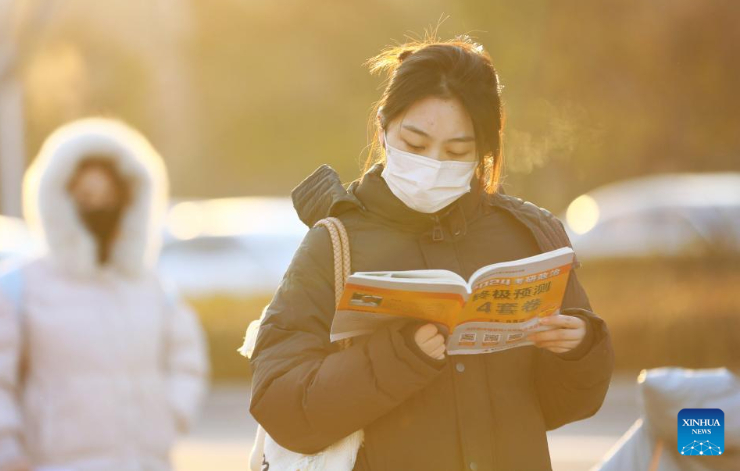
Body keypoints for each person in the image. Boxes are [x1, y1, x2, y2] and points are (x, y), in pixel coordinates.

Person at [249, 36, 615, 471]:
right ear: (384, 127)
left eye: (457, 151)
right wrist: (399, 357)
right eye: (416, 144)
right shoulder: (334, 242)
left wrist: (579, 349)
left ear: (484, 151)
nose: (434, 165)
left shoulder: (533, 236)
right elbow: (280, 404)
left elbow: (562, 408)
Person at [0, 118, 208, 471]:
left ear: (132, 201)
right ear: (59, 200)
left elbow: (187, 360)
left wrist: (172, 415)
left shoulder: (150, 285)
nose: (100, 207)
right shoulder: (19, 285)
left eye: (110, 197)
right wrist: (6, 450)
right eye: (87, 196)